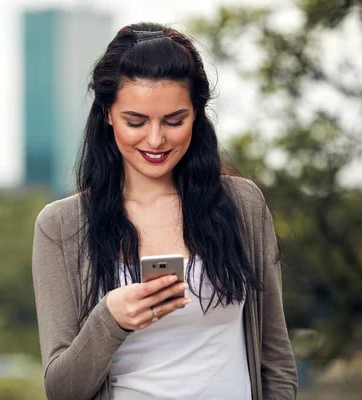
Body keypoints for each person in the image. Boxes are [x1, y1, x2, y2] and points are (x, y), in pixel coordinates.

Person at [31, 22, 297, 400]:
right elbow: (62, 390)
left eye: (174, 121)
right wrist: (110, 320)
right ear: (107, 113)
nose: (155, 139)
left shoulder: (242, 205)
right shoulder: (61, 227)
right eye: (135, 121)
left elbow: (277, 360)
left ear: (196, 114)